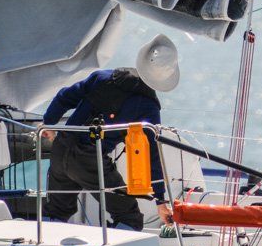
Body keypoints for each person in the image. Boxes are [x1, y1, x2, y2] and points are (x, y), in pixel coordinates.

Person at [42, 34, 179, 231]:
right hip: (89, 159)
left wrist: (48, 122)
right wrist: (160, 199)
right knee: (129, 217)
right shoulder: (148, 108)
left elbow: (65, 96)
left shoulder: (102, 77)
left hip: (60, 147)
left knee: (56, 211)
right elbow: (151, 156)